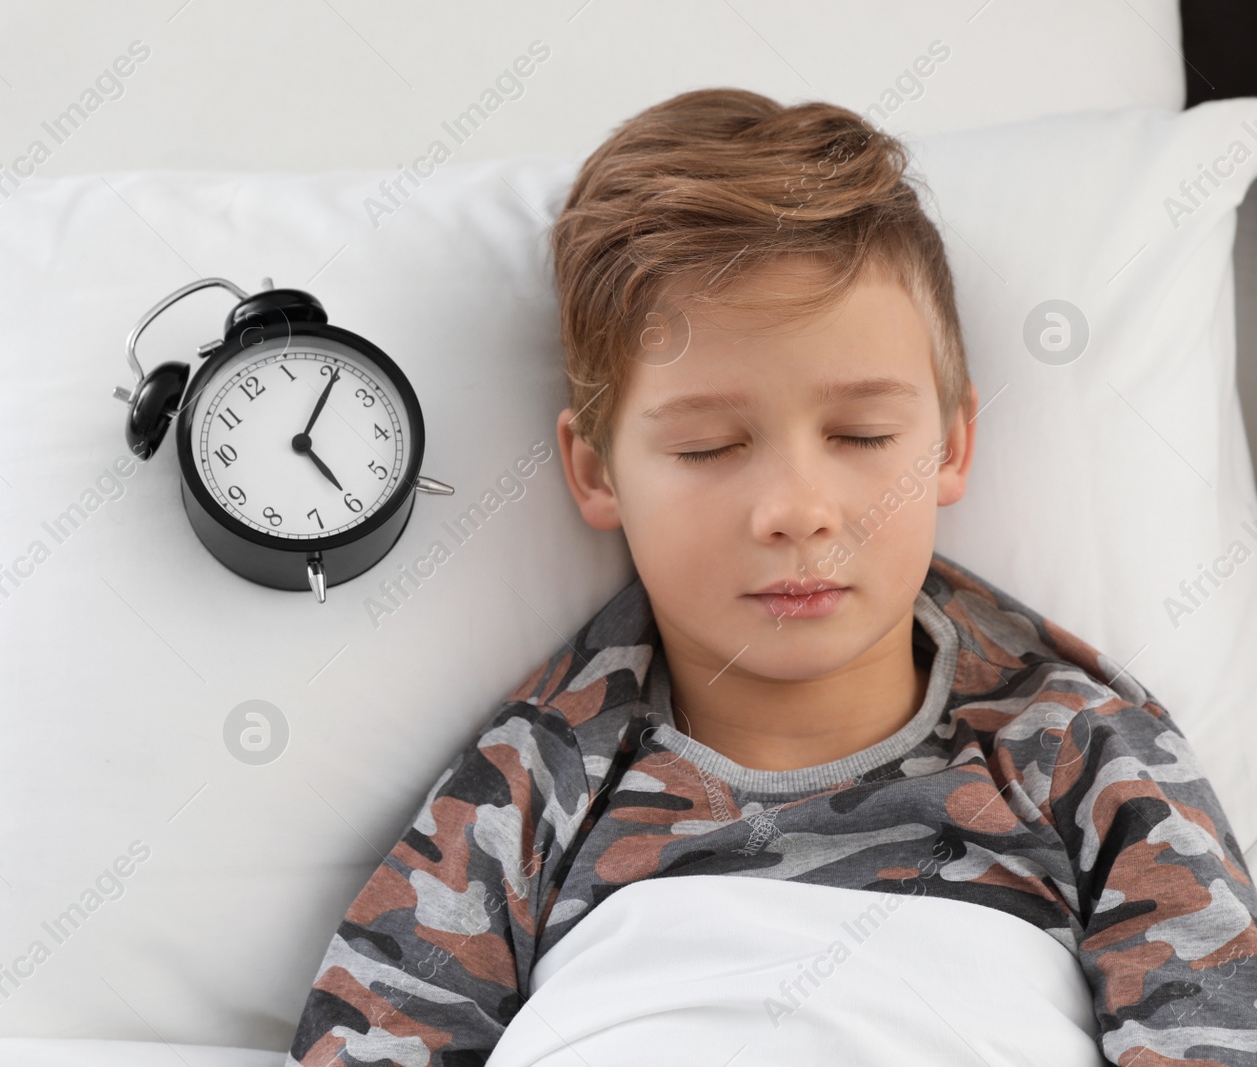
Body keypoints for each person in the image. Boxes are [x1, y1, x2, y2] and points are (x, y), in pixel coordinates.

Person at [284, 88, 1257, 1066]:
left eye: (861, 435)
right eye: (709, 446)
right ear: (596, 470)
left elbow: (1217, 1032)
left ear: (952, 443)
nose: (796, 506)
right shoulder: (529, 782)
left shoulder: (1084, 755)